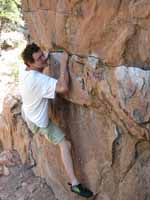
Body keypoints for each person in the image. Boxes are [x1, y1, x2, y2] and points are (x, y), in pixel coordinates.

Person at [19, 43, 93, 198]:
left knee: (45, 86)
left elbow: (40, 63)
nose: (43, 59)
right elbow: (63, 87)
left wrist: (45, 58)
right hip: (38, 122)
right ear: (30, 64)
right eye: (39, 59)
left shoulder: (25, 71)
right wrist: (64, 63)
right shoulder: (36, 79)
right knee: (65, 144)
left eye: (42, 55)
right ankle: (75, 184)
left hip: (28, 112)